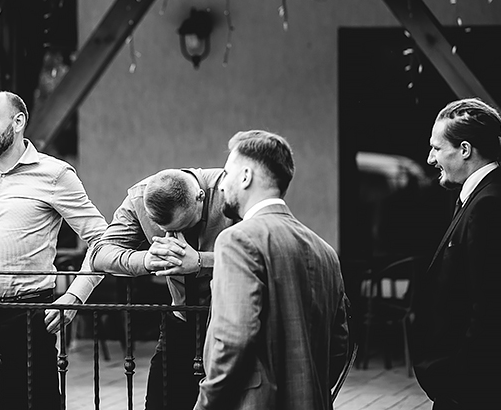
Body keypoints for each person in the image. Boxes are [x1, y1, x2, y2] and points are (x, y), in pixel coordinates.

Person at [0, 91, 108, 410]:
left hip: (28, 315)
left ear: (18, 121)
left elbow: (103, 240)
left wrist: (75, 297)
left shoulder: (56, 175)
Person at [194, 130, 351, 410]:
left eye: (226, 173)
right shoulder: (326, 252)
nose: (221, 185)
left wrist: (206, 404)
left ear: (245, 176)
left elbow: (233, 339)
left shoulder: (237, 240)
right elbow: (339, 346)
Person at [412, 98, 501, 410]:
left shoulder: (490, 205)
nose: (431, 158)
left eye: (437, 148)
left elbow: (490, 312)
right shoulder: (483, 199)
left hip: (474, 393)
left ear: (464, 149)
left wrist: (455, 385)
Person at [91, 166, 231, 410]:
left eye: (185, 226)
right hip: (181, 321)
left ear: (200, 196)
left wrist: (200, 261)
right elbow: (100, 254)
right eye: (166, 230)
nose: (175, 238)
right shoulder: (139, 198)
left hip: (231, 325)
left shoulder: (229, 189)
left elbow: (261, 252)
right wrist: (147, 259)